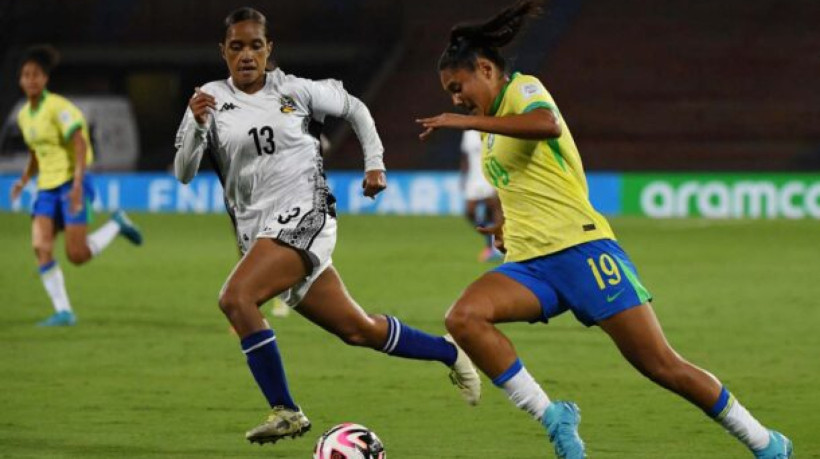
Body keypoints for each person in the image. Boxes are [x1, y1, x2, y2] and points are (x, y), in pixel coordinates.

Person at [416, 2, 793, 458]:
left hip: (583, 251)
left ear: (485, 68)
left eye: (458, 88)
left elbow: (545, 125)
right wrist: (504, 225)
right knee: (464, 317)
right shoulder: (489, 132)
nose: (455, 99)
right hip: (531, 266)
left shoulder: (523, 90)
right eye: (451, 95)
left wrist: (467, 120)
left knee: (661, 366)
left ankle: (766, 443)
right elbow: (524, 184)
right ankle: (554, 415)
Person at [173, 7, 480, 445]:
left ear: (269, 49)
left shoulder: (295, 90)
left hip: (306, 213)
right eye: (236, 46)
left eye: (255, 45)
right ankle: (450, 352)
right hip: (261, 235)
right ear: (222, 51)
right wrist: (198, 126)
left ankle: (286, 411)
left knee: (236, 298)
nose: (246, 55)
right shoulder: (208, 99)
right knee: (359, 329)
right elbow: (184, 173)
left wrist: (374, 164)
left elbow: (355, 109)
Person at [10, 45, 143, 327]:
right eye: (26, 75)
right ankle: (64, 312)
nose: (31, 79)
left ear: (45, 79)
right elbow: (37, 151)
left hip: (72, 183)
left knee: (77, 255)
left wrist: (78, 185)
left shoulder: (59, 108)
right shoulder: (24, 115)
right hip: (46, 187)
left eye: (36, 74)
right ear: (20, 80)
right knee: (41, 246)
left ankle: (117, 224)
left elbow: (80, 143)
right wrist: (23, 180)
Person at [460, 129, 503, 262]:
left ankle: (496, 247)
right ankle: (489, 240)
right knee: (469, 212)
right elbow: (465, 157)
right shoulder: (468, 133)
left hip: (489, 176)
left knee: (495, 210)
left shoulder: (493, 131)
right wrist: (463, 177)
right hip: (473, 179)